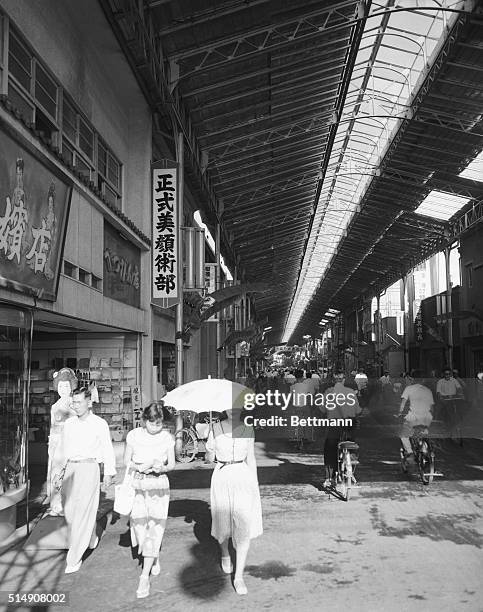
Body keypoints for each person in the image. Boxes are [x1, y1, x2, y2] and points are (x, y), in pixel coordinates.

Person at [58, 386, 116, 574]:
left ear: (89, 402)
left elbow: (107, 449)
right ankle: (90, 538)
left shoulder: (99, 424)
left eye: (79, 402)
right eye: (73, 402)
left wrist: (108, 472)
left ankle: (74, 558)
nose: (76, 406)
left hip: (89, 468)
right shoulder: (69, 424)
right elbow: (62, 449)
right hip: (70, 469)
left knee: (83, 511)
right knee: (69, 512)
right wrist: (58, 472)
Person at [206, 409, 262, 596]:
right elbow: (209, 459)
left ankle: (239, 576)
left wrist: (255, 484)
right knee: (223, 521)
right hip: (222, 476)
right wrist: (209, 450)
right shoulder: (215, 428)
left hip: (242, 476)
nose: (232, 410)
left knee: (243, 524)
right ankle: (225, 553)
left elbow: (251, 458)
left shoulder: (248, 428)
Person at [124, 402, 175, 598]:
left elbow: (171, 464)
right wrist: (139, 466)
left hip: (159, 484)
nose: (156, 427)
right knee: (138, 525)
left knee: (155, 526)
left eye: (159, 424)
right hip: (138, 484)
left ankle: (144, 578)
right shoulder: (134, 435)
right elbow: (126, 461)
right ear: (145, 420)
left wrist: (160, 468)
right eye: (153, 423)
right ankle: (153, 556)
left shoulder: (167, 438)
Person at [321, 372, 361, 486]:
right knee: (351, 441)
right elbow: (358, 410)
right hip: (349, 423)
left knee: (329, 448)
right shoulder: (351, 392)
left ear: (333, 380)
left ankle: (329, 477)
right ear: (344, 380)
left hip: (334, 424)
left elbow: (323, 409)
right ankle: (352, 456)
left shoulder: (329, 392)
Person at [47, 368, 77, 516]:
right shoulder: (54, 406)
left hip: (71, 442)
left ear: (71, 386)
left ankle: (68, 503)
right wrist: (51, 442)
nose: (63, 389)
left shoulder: (75, 403)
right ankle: (56, 504)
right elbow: (52, 427)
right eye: (60, 386)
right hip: (57, 441)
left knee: (69, 474)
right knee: (56, 474)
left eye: (66, 386)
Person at [398, 372, 434, 461]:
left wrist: (399, 413)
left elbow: (403, 404)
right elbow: (432, 407)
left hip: (413, 417)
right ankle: (426, 448)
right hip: (426, 417)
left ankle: (409, 451)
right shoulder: (428, 390)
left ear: (412, 379)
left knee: (403, 435)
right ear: (423, 380)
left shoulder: (409, 389)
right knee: (424, 431)